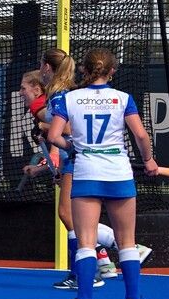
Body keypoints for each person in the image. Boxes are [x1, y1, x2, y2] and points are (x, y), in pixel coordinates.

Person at [47, 48, 159, 299]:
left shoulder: (69, 98)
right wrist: (149, 160)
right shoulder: (123, 99)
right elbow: (141, 135)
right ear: (112, 71)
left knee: (86, 243)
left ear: (83, 71)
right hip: (118, 172)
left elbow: (53, 135)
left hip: (87, 170)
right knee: (127, 243)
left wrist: (72, 147)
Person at [19, 65, 151, 287]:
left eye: (23, 88)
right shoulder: (52, 104)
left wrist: (46, 128)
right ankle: (103, 264)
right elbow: (56, 147)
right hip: (80, 163)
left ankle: (98, 268)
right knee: (71, 218)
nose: (21, 92)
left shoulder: (51, 103)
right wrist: (48, 167)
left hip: (83, 163)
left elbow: (68, 133)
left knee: (70, 217)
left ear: (37, 87)